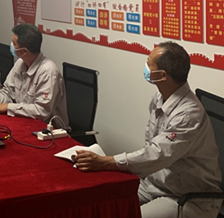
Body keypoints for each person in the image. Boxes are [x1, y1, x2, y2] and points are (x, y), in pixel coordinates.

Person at [73, 42, 222, 218]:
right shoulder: (160, 97)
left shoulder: (188, 114)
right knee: (104, 204)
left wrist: (106, 162)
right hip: (154, 183)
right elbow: (152, 147)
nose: (145, 67)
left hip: (187, 197)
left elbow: (157, 154)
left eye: (149, 63)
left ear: (162, 75)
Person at [0, 23, 69, 129]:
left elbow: (41, 111)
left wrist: (8, 107)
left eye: (14, 43)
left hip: (49, 130)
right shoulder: (20, 62)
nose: (11, 45)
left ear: (24, 51)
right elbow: (8, 91)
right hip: (24, 122)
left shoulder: (48, 72)